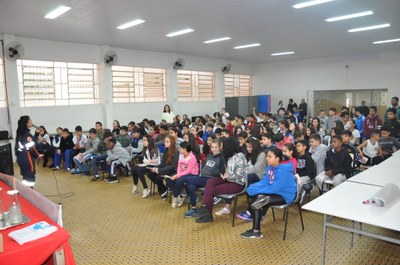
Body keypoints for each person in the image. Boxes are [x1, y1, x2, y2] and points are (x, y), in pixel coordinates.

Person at [240, 147, 297, 239]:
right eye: (267, 156)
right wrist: (253, 187)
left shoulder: (282, 171)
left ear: (277, 159)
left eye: (270, 157)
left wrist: (258, 190)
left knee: (256, 203)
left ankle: (256, 231)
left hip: (285, 195)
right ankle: (256, 225)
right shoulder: (270, 167)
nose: (267, 158)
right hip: (275, 193)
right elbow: (264, 182)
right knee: (255, 197)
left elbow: (274, 188)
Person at [194, 137, 248, 223]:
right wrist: (222, 174)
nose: (221, 148)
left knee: (211, 190)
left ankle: (207, 213)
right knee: (209, 182)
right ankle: (206, 210)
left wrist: (228, 176)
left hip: (237, 183)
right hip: (227, 179)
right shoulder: (227, 156)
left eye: (222, 145)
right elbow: (223, 169)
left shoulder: (239, 156)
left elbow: (241, 176)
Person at [183, 139, 226, 218]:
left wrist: (214, 172)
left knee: (188, 179)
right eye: (212, 147)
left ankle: (197, 206)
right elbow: (204, 166)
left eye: (216, 147)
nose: (213, 149)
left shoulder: (221, 158)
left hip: (210, 179)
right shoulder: (209, 155)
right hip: (202, 177)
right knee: (191, 186)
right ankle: (194, 208)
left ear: (220, 148)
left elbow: (222, 172)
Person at [167, 141, 200, 208]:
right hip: (183, 173)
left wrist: (178, 176)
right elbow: (179, 165)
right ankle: (179, 196)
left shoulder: (192, 158)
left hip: (192, 174)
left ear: (185, 149)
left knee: (179, 181)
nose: (179, 149)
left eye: (180, 148)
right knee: (169, 179)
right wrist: (178, 174)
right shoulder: (181, 155)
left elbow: (188, 171)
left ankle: (175, 197)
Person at [15, 115, 42, 187]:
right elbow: (30, 146)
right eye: (30, 120)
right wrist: (36, 135)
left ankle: (25, 192)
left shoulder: (20, 132)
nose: (32, 122)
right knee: (30, 176)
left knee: (26, 176)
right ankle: (29, 193)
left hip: (21, 157)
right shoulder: (26, 134)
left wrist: (35, 135)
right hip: (27, 158)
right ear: (27, 122)